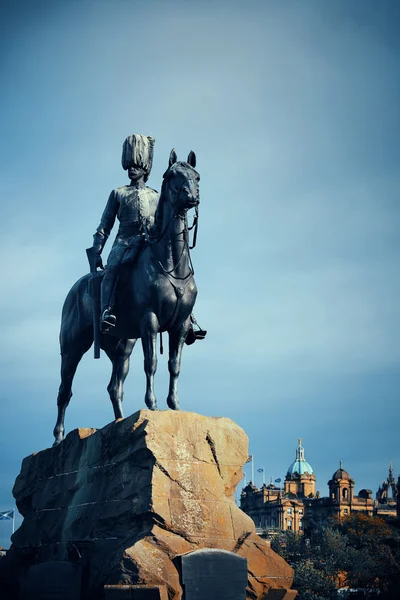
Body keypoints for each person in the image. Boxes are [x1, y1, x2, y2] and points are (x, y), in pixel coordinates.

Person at [91, 133, 206, 343]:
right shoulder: (118, 193)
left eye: (136, 164)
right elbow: (105, 226)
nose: (132, 169)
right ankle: (107, 311)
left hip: (149, 241)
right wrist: (97, 249)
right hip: (124, 242)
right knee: (113, 268)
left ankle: (186, 316)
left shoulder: (155, 195)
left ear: (145, 167)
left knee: (177, 268)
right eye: (129, 165)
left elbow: (164, 219)